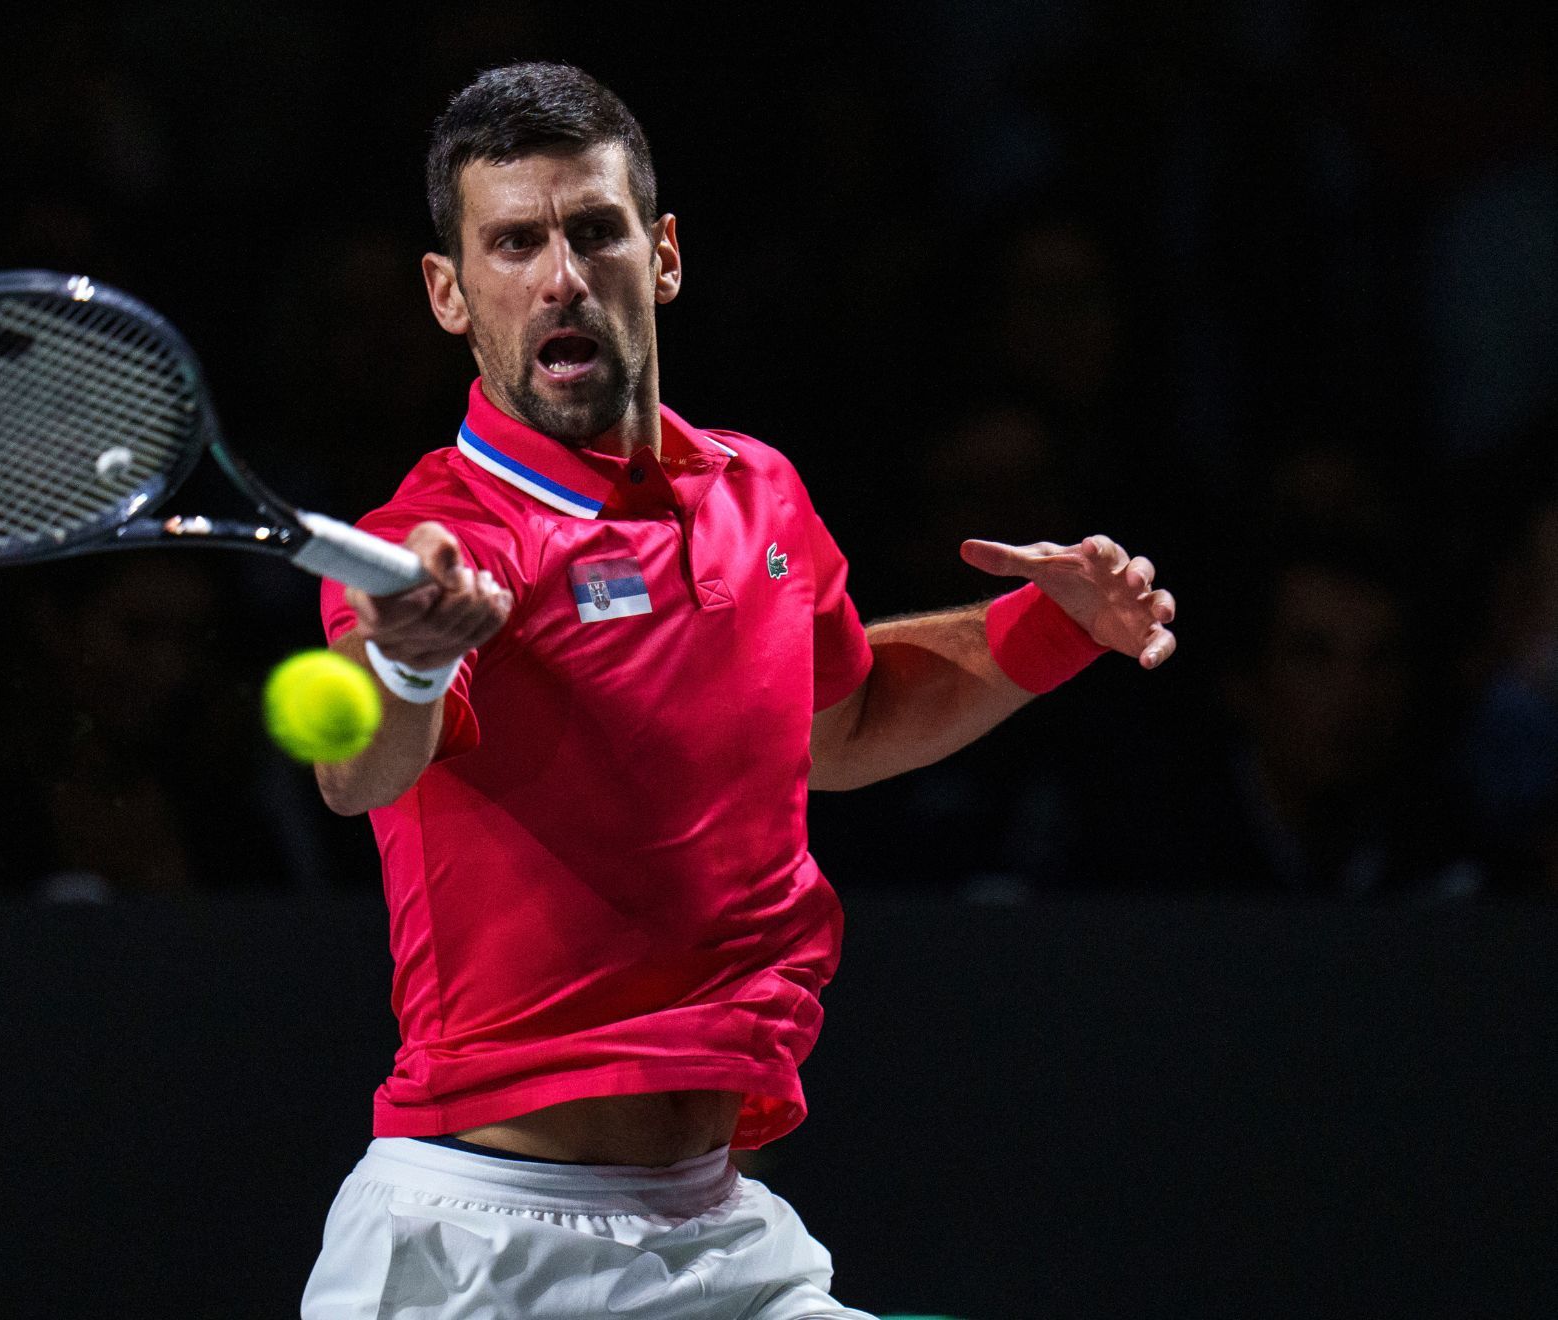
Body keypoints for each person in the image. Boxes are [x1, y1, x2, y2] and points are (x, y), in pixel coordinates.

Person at [300, 63, 1177, 1319]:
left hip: (717, 1238)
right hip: (477, 1245)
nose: (561, 275)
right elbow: (358, 772)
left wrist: (1052, 630)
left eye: (593, 231)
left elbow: (848, 721)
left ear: (659, 257)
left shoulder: (757, 493)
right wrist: (409, 653)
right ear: (450, 292)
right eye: (513, 243)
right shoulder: (431, 541)